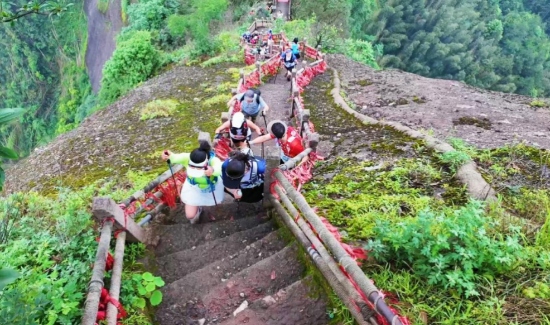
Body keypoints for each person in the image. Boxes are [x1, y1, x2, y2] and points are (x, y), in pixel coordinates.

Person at [161, 141, 224, 224]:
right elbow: (174, 157)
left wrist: (212, 170)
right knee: (190, 215)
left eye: (198, 169)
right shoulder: (187, 157)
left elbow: (219, 168)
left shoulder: (213, 161)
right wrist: (167, 156)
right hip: (194, 189)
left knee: (216, 212)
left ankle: (209, 210)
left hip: (211, 189)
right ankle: (199, 209)